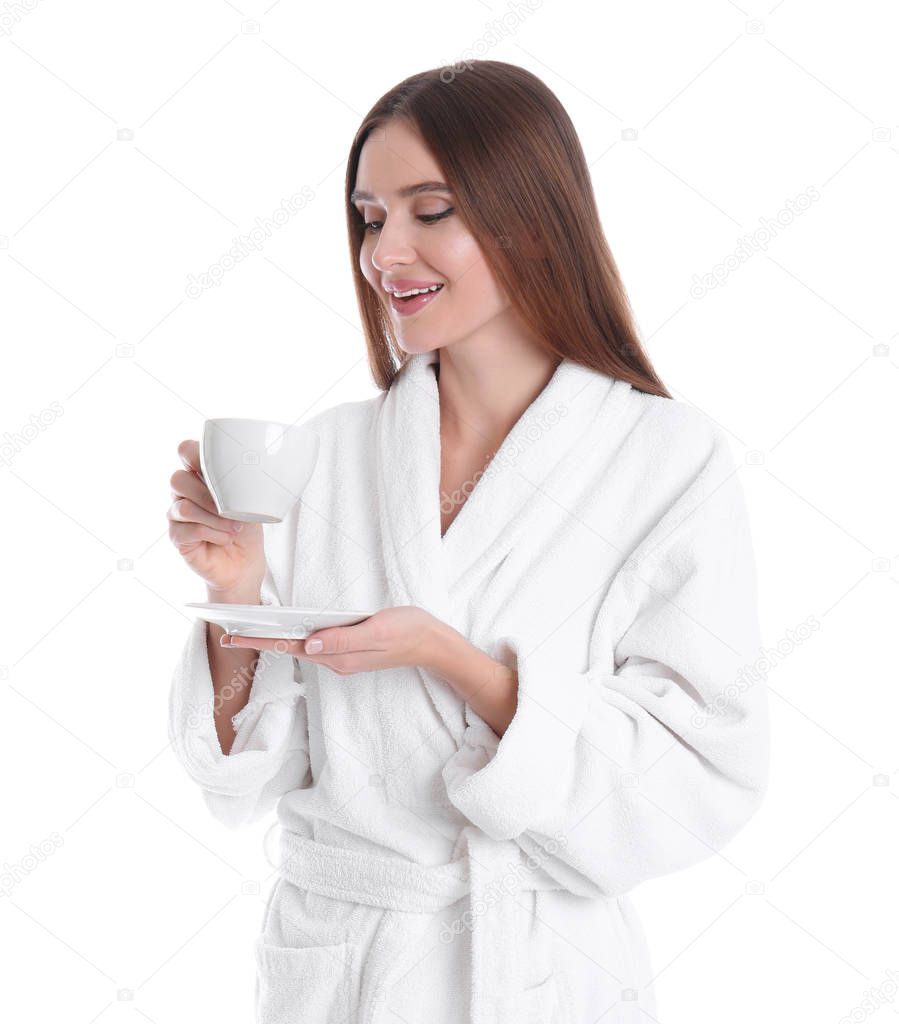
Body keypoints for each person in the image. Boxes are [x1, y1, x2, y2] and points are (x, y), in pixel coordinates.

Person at [167, 60, 769, 1024]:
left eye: (429, 209)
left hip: (539, 972)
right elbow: (251, 770)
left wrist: (451, 661)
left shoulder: (663, 458)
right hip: (343, 969)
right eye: (369, 217)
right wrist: (237, 594)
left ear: (532, 218)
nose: (382, 252)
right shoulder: (326, 455)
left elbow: (700, 773)